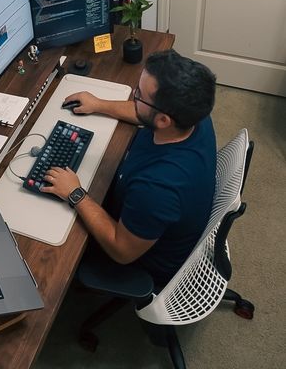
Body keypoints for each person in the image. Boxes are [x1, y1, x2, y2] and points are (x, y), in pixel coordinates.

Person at [41, 49, 217, 287]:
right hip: (148, 216)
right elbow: (144, 113)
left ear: (164, 120)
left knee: (46, 249)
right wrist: (98, 104)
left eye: (139, 95)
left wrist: (75, 194)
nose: (133, 96)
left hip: (138, 258)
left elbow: (121, 251)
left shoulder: (157, 188)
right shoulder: (193, 115)